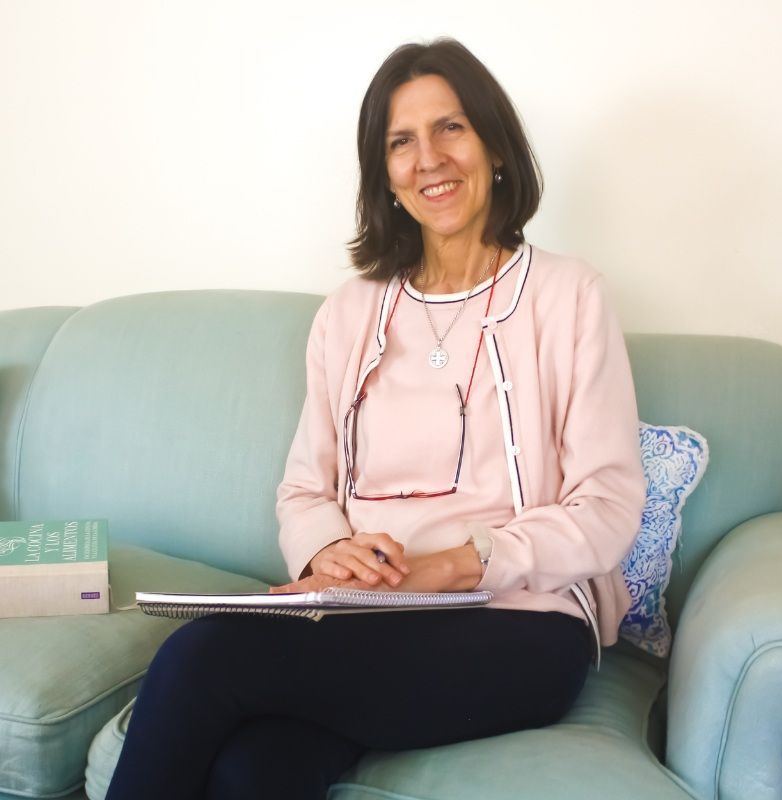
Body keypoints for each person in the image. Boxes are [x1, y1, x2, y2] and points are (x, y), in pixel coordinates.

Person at [105, 38, 645, 800]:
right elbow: (304, 489)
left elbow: (609, 506)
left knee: (200, 658)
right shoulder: (349, 313)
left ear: (495, 147)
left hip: (520, 621)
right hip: (364, 618)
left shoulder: (569, 296)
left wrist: (453, 564)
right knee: (251, 772)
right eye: (401, 142)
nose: (429, 159)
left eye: (451, 128)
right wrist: (330, 554)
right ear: (384, 174)